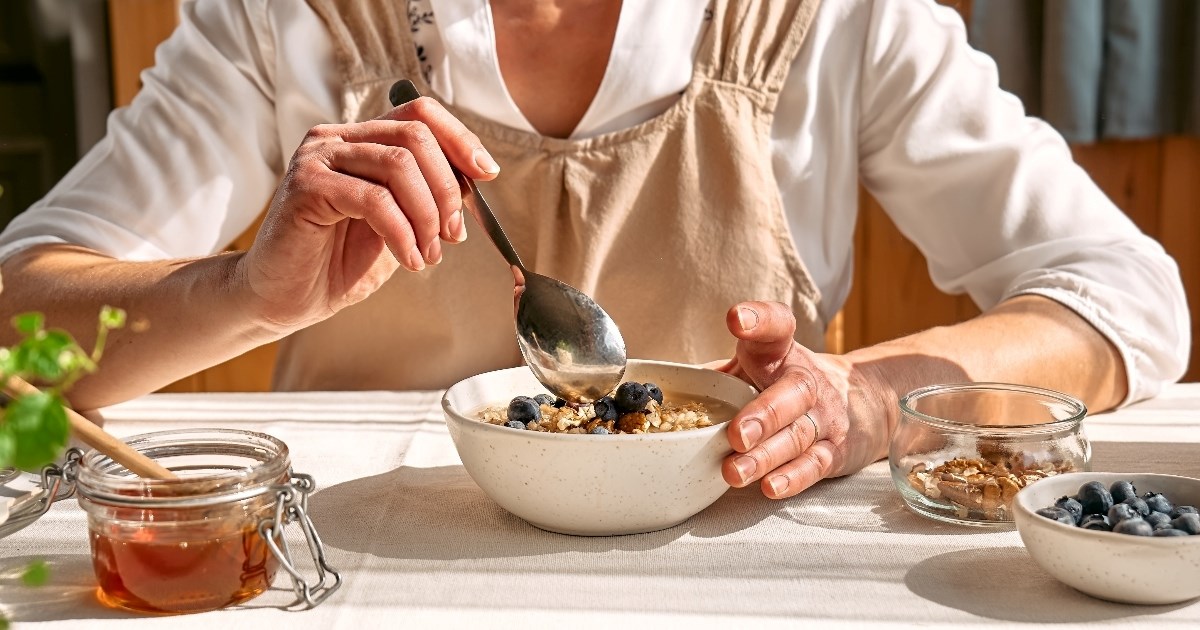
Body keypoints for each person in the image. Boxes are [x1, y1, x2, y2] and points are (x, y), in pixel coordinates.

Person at [0, 0, 1188, 501]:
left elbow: (1128, 299)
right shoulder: (289, 20)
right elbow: (13, 341)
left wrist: (870, 401)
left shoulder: (828, 16)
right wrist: (243, 290)